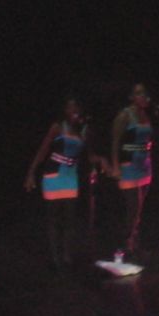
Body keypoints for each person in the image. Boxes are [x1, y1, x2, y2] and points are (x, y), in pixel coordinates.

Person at [24, 97, 109, 270]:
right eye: (70, 107)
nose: (73, 110)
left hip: (70, 176)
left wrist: (101, 159)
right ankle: (55, 256)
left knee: (70, 218)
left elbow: (90, 156)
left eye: (76, 107)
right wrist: (31, 173)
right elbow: (43, 150)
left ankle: (66, 254)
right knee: (54, 217)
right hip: (53, 175)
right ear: (65, 110)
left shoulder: (84, 131)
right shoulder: (58, 127)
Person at [110, 83, 154, 255]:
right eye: (138, 94)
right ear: (131, 97)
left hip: (144, 164)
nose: (143, 97)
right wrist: (115, 165)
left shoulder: (146, 115)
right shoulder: (125, 115)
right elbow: (115, 141)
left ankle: (135, 244)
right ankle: (124, 244)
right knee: (132, 207)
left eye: (145, 93)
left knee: (139, 208)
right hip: (128, 165)